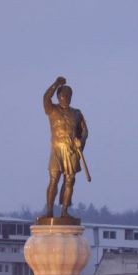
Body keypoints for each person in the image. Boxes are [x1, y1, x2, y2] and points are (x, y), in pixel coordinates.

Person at [43, 75, 89, 219]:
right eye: (63, 95)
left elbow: (85, 131)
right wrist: (56, 84)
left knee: (69, 180)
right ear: (58, 96)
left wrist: (80, 141)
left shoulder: (77, 113)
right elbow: (45, 98)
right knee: (54, 179)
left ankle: (64, 211)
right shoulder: (52, 110)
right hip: (57, 149)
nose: (66, 97)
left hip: (71, 151)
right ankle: (50, 210)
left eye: (69, 95)